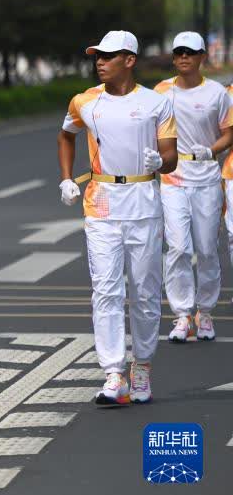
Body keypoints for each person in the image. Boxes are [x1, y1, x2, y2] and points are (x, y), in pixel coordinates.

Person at [57, 30, 177, 406]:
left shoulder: (157, 103)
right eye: (97, 56)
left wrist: (161, 162)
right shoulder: (85, 101)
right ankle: (113, 373)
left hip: (143, 199)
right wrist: (66, 177)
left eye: (108, 56)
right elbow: (66, 135)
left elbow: (170, 156)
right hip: (102, 202)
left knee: (143, 291)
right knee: (106, 290)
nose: (100, 62)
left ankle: (142, 366)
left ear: (129, 60)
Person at [154, 31, 233, 343]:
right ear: (174, 57)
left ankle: (206, 311)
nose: (184, 57)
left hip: (206, 178)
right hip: (173, 177)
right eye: (179, 52)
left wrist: (211, 151)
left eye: (190, 52)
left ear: (203, 56)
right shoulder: (161, 92)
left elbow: (229, 134)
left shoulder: (216, 93)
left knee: (205, 248)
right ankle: (183, 314)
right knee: (177, 248)